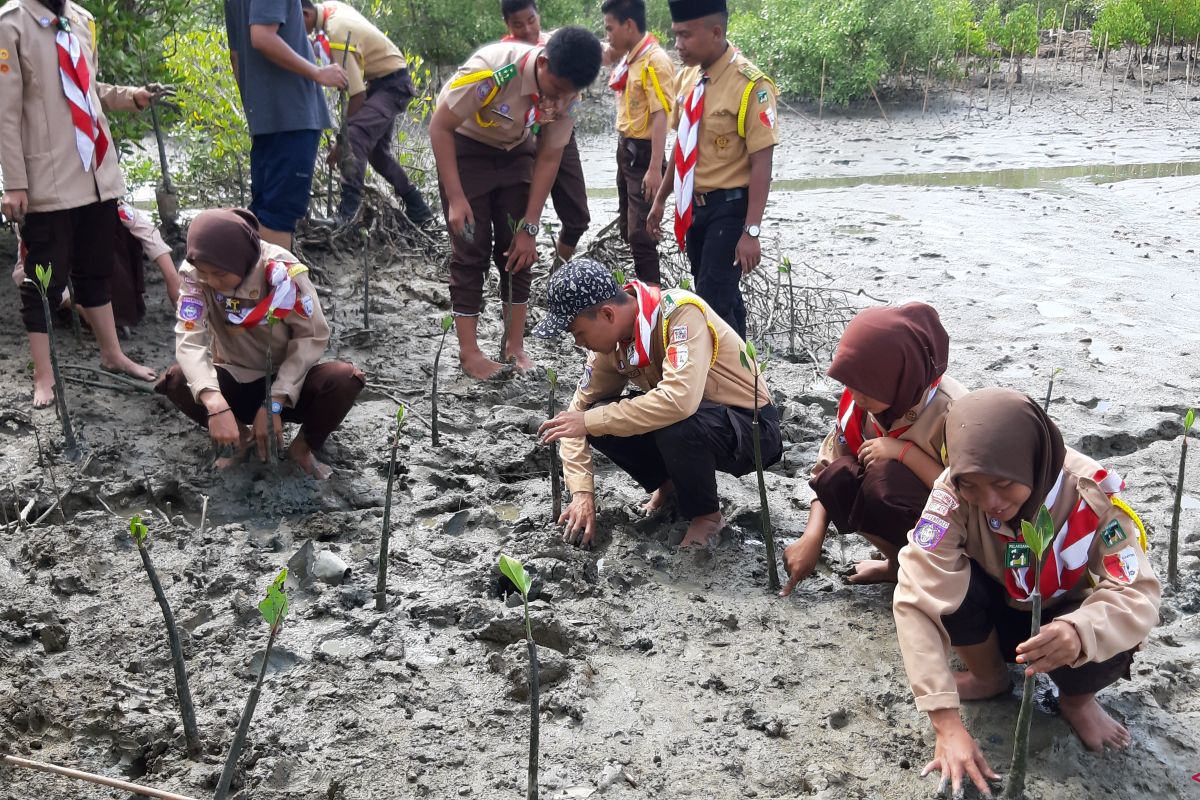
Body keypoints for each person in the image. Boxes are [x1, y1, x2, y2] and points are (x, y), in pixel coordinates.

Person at [893, 388, 1161, 795]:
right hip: (997, 612)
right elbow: (914, 594)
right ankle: (988, 676)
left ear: (1035, 463)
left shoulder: (1089, 494)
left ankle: (1077, 701)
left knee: (1116, 628)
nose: (991, 503)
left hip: (1061, 619)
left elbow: (1137, 593)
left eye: (1004, 484)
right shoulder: (952, 491)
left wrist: (1079, 631)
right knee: (942, 584)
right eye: (973, 487)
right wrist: (945, 722)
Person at [536, 258, 782, 549]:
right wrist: (581, 493)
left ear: (607, 314)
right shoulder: (612, 346)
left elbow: (679, 401)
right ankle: (671, 487)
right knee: (596, 412)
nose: (578, 343)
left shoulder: (680, 313)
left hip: (752, 431)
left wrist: (587, 422)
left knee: (673, 421)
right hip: (698, 423)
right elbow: (574, 419)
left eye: (578, 332)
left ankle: (707, 516)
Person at [0, 0, 161, 408]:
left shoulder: (81, 19)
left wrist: (130, 97)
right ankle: (43, 375)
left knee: (96, 267)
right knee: (43, 278)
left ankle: (112, 354)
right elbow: (6, 111)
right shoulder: (11, 25)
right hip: (47, 177)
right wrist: (15, 183)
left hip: (95, 171)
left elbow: (86, 87)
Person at [431, 26, 601, 380]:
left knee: (518, 250)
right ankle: (470, 353)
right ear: (542, 63)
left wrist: (531, 225)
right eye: (553, 91)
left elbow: (550, 155)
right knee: (470, 247)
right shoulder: (492, 71)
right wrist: (456, 198)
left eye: (567, 95)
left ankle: (514, 346)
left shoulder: (568, 91)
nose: (556, 103)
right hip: (464, 148)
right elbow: (440, 126)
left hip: (514, 152)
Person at [155, 209, 365, 480]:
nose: (211, 281)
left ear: (242, 261)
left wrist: (275, 400)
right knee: (175, 379)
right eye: (204, 273)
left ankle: (301, 450)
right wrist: (214, 402)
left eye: (219, 274)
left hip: (288, 384)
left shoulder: (281, 272)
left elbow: (310, 337)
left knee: (344, 379)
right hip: (235, 376)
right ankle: (240, 439)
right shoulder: (196, 275)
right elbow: (190, 338)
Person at [780, 303, 965, 592]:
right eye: (850, 384)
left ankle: (930, 572)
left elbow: (967, 496)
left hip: (953, 526)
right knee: (840, 478)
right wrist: (812, 538)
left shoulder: (952, 412)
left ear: (901, 379)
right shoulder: (858, 405)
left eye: (866, 388)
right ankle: (897, 564)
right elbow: (827, 469)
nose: (855, 396)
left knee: (882, 480)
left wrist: (903, 453)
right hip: (906, 513)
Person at [647, 0, 777, 338]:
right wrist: (662, 200)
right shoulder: (687, 77)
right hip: (696, 210)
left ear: (716, 32)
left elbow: (762, 162)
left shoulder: (751, 85)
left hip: (731, 210)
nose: (678, 45)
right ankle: (748, 381)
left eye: (686, 36)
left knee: (710, 304)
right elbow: (683, 145)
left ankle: (726, 382)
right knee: (725, 299)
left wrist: (751, 232)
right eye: (676, 36)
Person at [224, 0, 347, 249]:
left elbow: (236, 56)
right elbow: (261, 37)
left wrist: (257, 111)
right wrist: (317, 72)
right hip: (293, 116)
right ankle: (273, 288)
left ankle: (257, 286)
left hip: (267, 118)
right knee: (279, 215)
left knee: (263, 210)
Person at [301, 0, 433, 225]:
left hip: (392, 86)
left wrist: (341, 143)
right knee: (377, 155)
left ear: (305, 15)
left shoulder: (337, 34)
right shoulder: (330, 8)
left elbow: (358, 95)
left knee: (354, 137)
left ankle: (347, 215)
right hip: (385, 81)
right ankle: (419, 209)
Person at [500, 0, 590, 263]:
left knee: (578, 218)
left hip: (559, 130)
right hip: (521, 135)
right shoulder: (505, 56)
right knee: (515, 213)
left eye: (531, 20)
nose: (528, 30)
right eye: (518, 24)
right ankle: (511, 271)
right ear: (507, 25)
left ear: (539, 16)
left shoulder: (557, 46)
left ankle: (556, 276)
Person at [11, 202, 181, 323]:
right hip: (65, 292)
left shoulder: (102, 205)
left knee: (115, 232)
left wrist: (172, 281)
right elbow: (24, 271)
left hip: (108, 282)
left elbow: (147, 233)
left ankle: (120, 311)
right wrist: (72, 303)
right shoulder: (35, 218)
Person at [602, 0, 674, 285]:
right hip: (627, 152)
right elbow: (605, 51)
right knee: (628, 228)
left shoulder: (654, 60)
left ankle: (653, 303)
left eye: (610, 28)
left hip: (644, 156)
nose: (608, 35)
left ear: (629, 25)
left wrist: (655, 168)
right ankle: (645, 289)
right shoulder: (632, 56)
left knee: (642, 234)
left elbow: (660, 115)